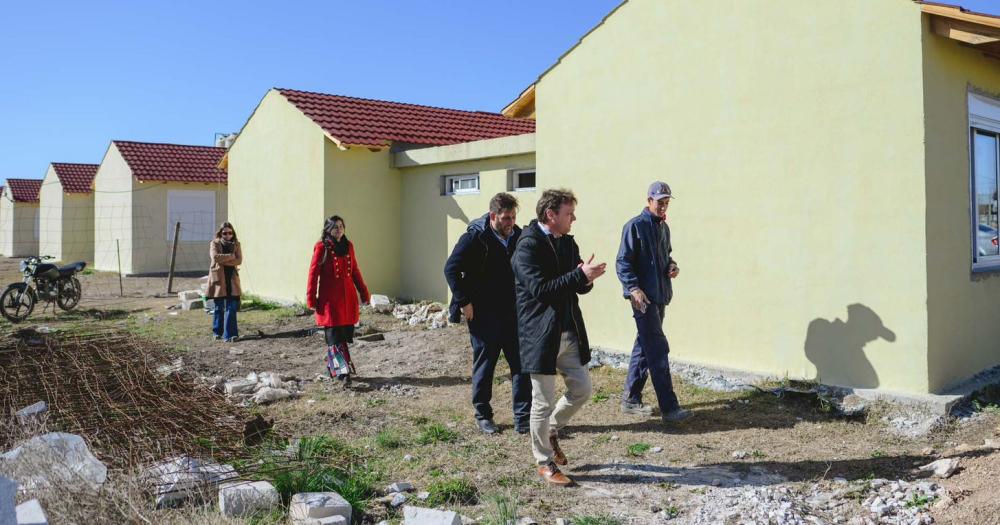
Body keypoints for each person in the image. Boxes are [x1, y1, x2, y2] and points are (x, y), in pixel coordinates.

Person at [512, 188, 607, 486]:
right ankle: (544, 462)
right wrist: (579, 276)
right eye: (569, 213)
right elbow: (542, 289)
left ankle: (551, 430)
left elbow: (575, 283)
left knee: (582, 389)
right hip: (539, 335)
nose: (573, 219)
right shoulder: (526, 246)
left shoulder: (567, 242)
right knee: (541, 402)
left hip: (568, 331)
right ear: (550, 215)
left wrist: (586, 278)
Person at [444, 192, 530, 435]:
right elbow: (451, 269)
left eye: (513, 217)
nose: (510, 223)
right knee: (486, 365)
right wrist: (464, 301)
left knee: (521, 366)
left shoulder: (518, 237)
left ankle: (523, 418)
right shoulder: (475, 238)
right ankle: (483, 414)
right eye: (505, 218)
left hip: (513, 313)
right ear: (493, 216)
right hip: (483, 315)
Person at [615, 182, 691, 424]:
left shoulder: (663, 228)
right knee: (657, 350)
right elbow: (623, 262)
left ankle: (630, 400)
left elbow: (666, 256)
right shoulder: (634, 227)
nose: (663, 205)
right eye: (660, 201)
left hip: (660, 297)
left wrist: (672, 266)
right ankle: (669, 408)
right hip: (643, 300)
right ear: (649, 200)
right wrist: (634, 289)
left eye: (667, 201)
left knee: (644, 347)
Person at [306, 215, 371, 387]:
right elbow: (313, 274)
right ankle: (342, 371)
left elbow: (355, 271)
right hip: (330, 300)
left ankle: (333, 368)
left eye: (341, 226)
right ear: (328, 229)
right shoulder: (321, 247)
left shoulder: (349, 246)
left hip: (347, 298)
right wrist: (311, 298)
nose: (339, 229)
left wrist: (364, 292)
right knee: (334, 335)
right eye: (335, 227)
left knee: (342, 335)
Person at [207, 222, 242, 342]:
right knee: (219, 307)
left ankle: (230, 335)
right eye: (225, 233)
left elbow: (239, 260)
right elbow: (215, 257)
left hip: (232, 279)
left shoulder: (236, 244)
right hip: (219, 279)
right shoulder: (214, 243)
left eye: (230, 233)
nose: (228, 235)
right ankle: (217, 332)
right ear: (220, 233)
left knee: (231, 307)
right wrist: (231, 256)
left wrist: (225, 259)